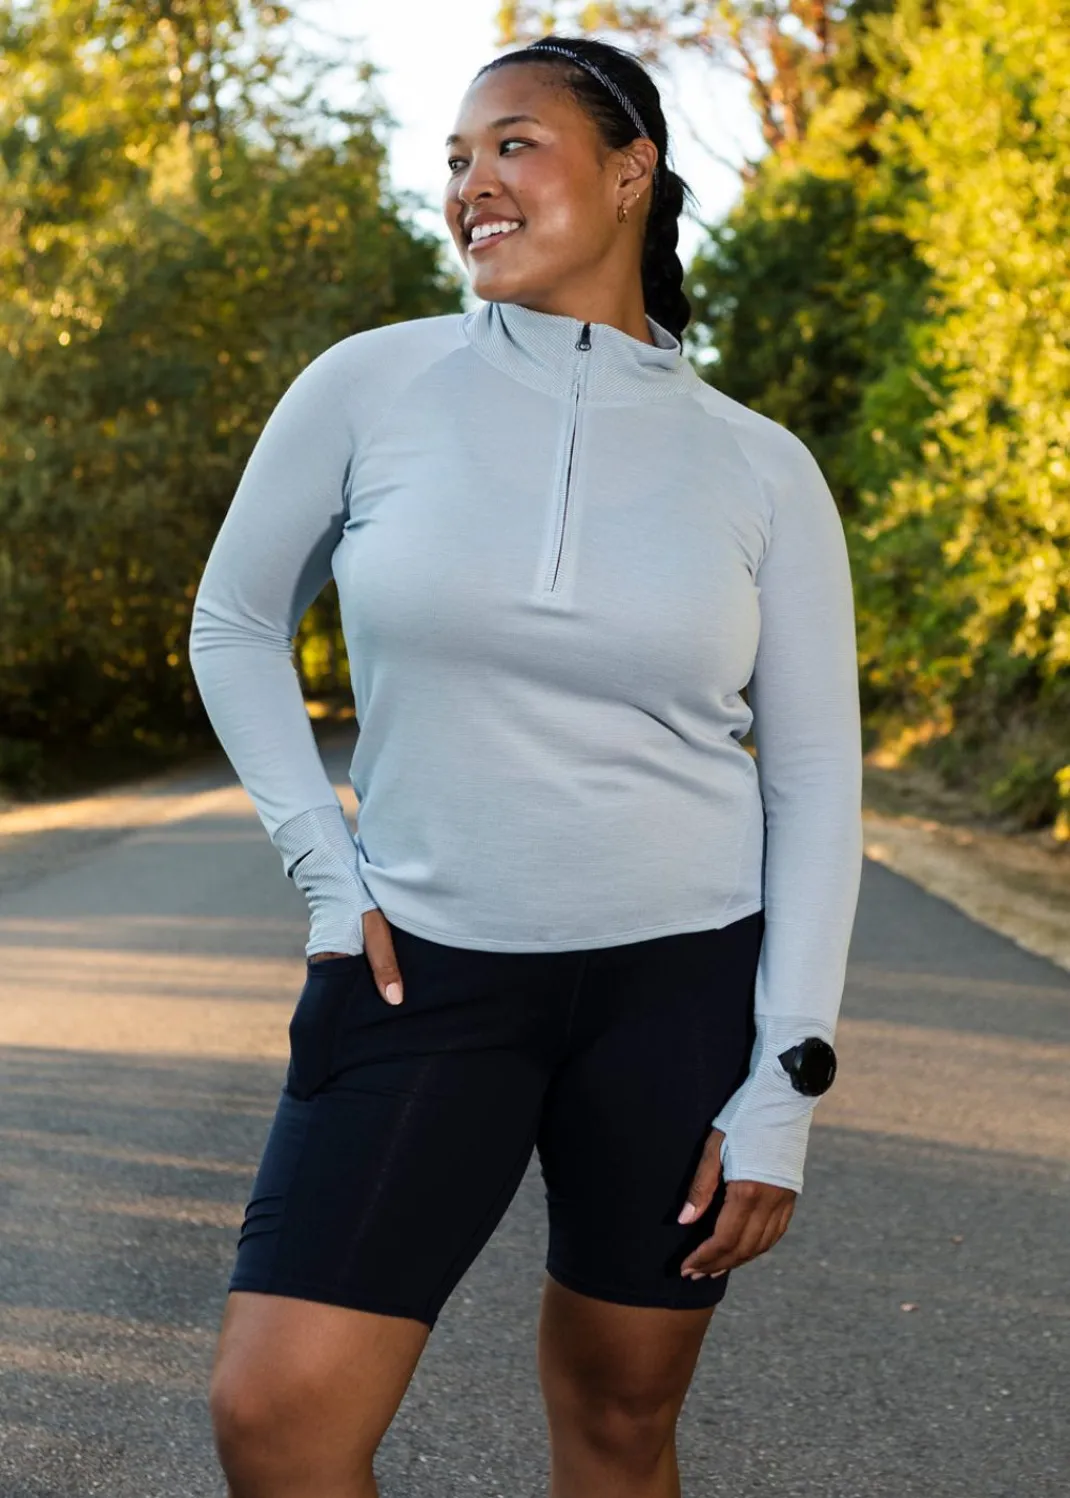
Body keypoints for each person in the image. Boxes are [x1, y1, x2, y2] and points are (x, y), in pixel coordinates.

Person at [187, 32, 863, 1498]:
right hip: (416, 972)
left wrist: (785, 1079)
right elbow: (233, 623)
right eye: (453, 159)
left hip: (678, 990)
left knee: (621, 1421)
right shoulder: (371, 384)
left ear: (631, 174)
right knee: (277, 1418)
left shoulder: (760, 466)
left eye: (512, 144)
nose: (470, 184)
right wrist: (328, 873)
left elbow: (813, 782)